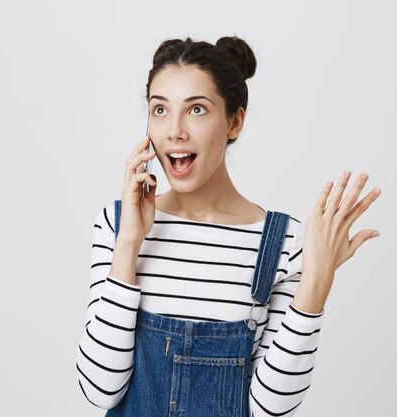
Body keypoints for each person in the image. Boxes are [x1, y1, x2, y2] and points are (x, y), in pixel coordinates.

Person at [76, 35, 381, 417]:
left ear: (234, 121)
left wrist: (316, 281)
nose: (174, 131)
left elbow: (269, 408)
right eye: (159, 110)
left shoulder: (285, 243)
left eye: (197, 110)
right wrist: (129, 244)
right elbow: (100, 390)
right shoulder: (118, 224)